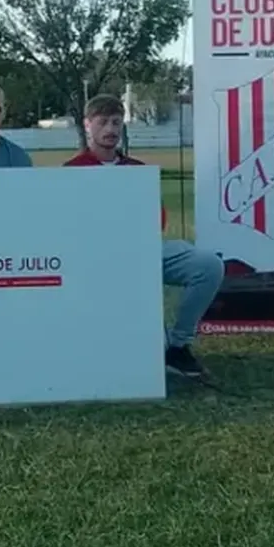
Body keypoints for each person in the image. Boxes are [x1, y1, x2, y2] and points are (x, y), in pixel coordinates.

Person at [63, 94, 223, 379]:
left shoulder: (137, 170)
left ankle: (178, 345)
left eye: (116, 122)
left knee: (208, 264)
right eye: (103, 122)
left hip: (144, 248)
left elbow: (158, 218)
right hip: (96, 257)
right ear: (88, 125)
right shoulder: (72, 172)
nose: (110, 129)